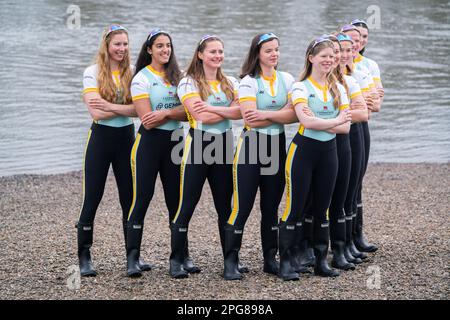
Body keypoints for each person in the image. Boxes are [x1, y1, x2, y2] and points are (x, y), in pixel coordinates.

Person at [223, 33, 297, 280]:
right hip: (252, 146)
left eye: (277, 49)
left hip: (277, 144)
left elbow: (295, 115)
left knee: (271, 207)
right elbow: (248, 117)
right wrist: (280, 112)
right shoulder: (248, 82)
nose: (274, 54)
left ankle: (270, 259)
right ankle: (231, 261)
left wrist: (269, 114)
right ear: (257, 54)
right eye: (268, 51)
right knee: (242, 207)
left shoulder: (287, 79)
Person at [279, 36, 352, 280]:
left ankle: (321, 261)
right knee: (294, 208)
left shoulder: (339, 88)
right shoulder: (300, 87)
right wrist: (335, 120)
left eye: (332, 56)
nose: (329, 60)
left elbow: (346, 129)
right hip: (302, 152)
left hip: (328, 154)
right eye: (324, 56)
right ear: (311, 58)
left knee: (323, 209)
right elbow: (306, 122)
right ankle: (287, 262)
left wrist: (325, 122)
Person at [78, 25, 148, 276]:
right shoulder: (92, 72)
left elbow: (140, 111)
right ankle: (84, 258)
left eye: (126, 44)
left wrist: (110, 105)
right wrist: (125, 107)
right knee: (92, 198)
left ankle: (133, 257)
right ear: (106, 45)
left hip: (126, 139)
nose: (122, 49)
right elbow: (95, 112)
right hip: (100, 139)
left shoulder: (133, 72)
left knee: (130, 199)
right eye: (117, 44)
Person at [171, 35, 241, 279]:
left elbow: (241, 112)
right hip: (198, 145)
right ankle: (176, 260)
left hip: (224, 145)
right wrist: (226, 112)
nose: (218, 56)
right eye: (212, 51)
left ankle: (230, 262)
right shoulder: (188, 82)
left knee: (226, 207)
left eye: (220, 51)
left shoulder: (231, 82)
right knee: (187, 205)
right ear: (200, 54)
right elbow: (199, 116)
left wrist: (211, 108)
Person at [125, 28, 187, 277]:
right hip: (149, 144)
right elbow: (147, 120)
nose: (165, 50)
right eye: (160, 46)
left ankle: (182, 257)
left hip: (176, 143)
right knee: (142, 199)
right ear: (149, 50)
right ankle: (132, 259)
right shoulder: (141, 78)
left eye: (168, 46)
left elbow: (191, 113)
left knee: (177, 201)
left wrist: (165, 113)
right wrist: (174, 112)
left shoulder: (180, 77)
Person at [328, 33, 369, 270]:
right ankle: (312, 248)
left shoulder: (350, 80)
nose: (342, 55)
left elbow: (366, 111)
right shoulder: (317, 80)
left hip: (349, 135)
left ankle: (344, 244)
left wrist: (331, 117)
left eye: (346, 50)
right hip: (323, 140)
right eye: (337, 51)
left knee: (348, 190)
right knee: (321, 198)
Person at [350, 19, 384, 253]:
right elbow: (365, 101)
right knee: (339, 184)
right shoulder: (337, 61)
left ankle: (356, 234)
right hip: (343, 126)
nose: (359, 41)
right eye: (355, 37)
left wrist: (365, 103)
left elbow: (376, 103)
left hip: (361, 126)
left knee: (356, 183)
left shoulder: (369, 65)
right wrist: (364, 102)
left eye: (363, 37)